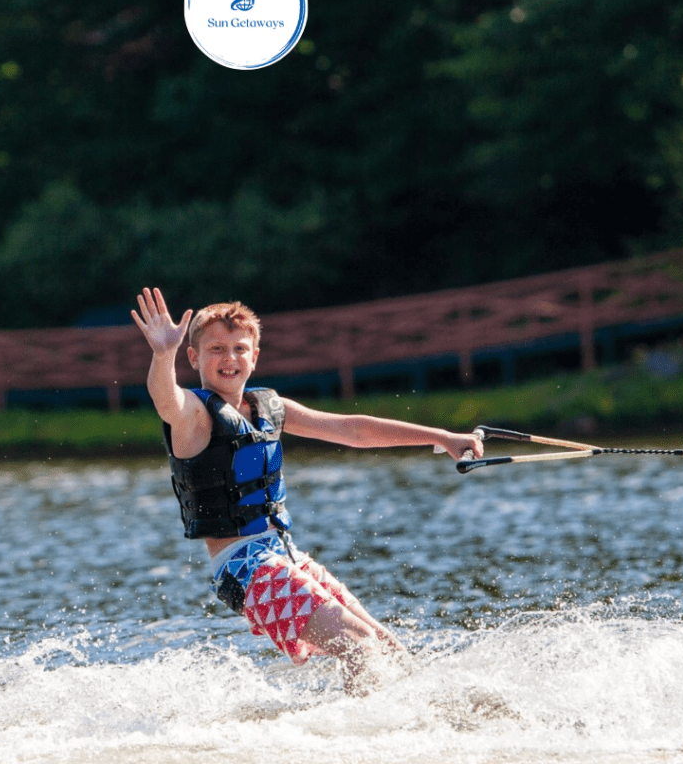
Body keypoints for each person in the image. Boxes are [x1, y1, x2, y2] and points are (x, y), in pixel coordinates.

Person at [131, 287, 484, 695]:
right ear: (194, 358)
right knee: (357, 645)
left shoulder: (270, 408)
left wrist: (442, 437)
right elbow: (166, 401)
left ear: (255, 356)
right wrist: (163, 355)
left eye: (240, 348)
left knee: (389, 649)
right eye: (216, 349)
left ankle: (426, 717)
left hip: (285, 554)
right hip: (243, 567)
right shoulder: (194, 415)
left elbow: (353, 430)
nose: (230, 358)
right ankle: (363, 728)